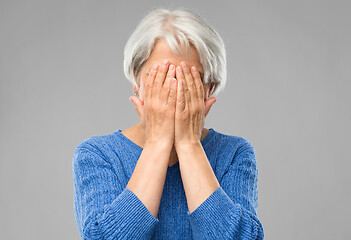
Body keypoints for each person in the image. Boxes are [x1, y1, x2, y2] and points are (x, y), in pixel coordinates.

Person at [72, 7, 264, 240]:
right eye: (161, 78)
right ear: (136, 81)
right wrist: (157, 143)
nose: (173, 91)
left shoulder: (234, 154)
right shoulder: (97, 154)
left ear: (209, 88)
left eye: (187, 80)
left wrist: (188, 144)